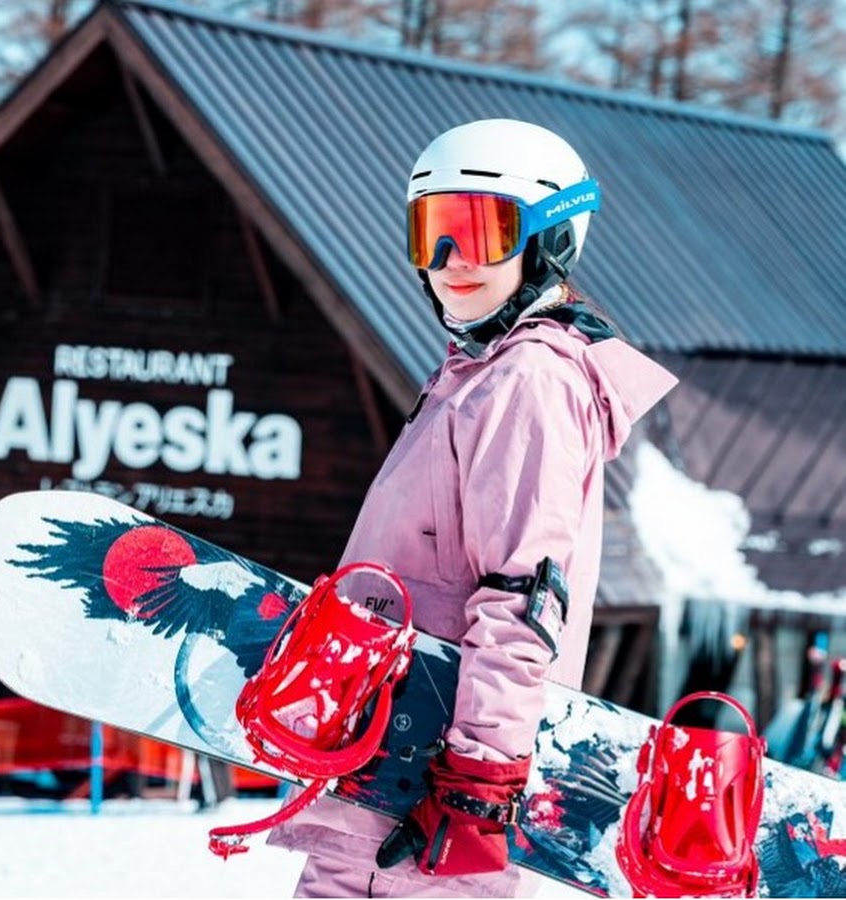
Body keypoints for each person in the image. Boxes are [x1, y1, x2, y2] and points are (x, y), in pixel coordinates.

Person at [267, 118, 678, 897]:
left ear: (548, 240)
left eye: (480, 232)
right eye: (432, 233)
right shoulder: (470, 376)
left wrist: (481, 780)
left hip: (428, 794)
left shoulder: (531, 382)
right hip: (376, 772)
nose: (450, 262)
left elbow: (524, 594)